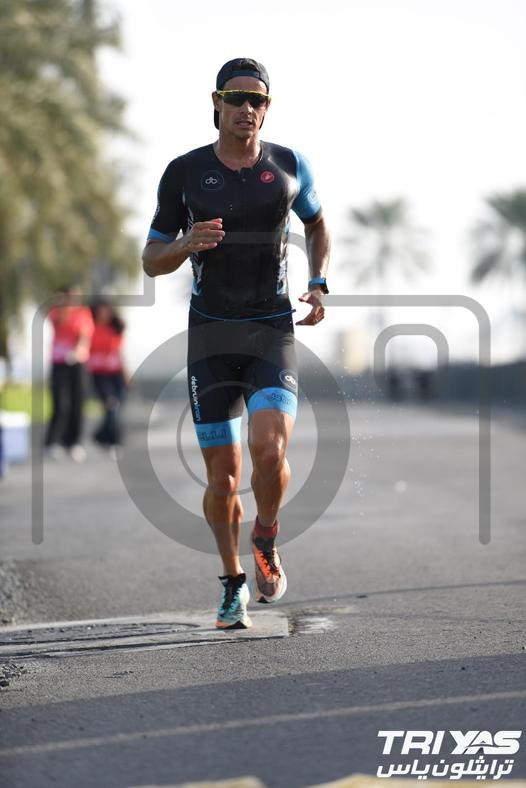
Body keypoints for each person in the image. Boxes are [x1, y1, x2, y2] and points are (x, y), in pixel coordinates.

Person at [142, 58, 330, 629]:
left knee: (270, 451)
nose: (247, 108)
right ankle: (232, 583)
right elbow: (151, 260)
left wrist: (318, 281)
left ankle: (265, 535)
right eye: (236, 97)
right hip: (211, 339)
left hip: (272, 330)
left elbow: (317, 222)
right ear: (217, 102)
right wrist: (185, 244)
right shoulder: (184, 173)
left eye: (258, 100)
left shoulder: (289, 165)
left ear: (267, 108)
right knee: (223, 478)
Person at [45, 285, 94, 462]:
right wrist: (62, 306)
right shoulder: (56, 311)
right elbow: (58, 322)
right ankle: (53, 442)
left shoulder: (83, 313)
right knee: (60, 403)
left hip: (77, 364)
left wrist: (78, 350)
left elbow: (85, 336)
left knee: (77, 403)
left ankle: (74, 443)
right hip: (59, 364)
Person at [87, 299, 127, 454]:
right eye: (100, 311)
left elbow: (119, 353)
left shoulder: (114, 329)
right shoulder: (90, 328)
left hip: (115, 373)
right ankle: (114, 441)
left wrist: (126, 374)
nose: (103, 314)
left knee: (117, 406)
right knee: (111, 404)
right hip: (99, 373)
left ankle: (101, 435)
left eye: (106, 311)